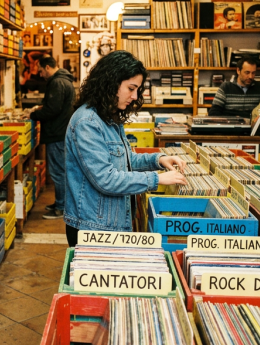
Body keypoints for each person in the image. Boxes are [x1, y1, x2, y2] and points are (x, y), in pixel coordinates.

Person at [64, 52, 187, 245]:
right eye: (131, 88)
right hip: (92, 228)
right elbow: (106, 179)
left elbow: (126, 160)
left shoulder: (109, 116)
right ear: (111, 82)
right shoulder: (87, 122)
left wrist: (158, 159)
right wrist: (157, 179)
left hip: (111, 223)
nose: (135, 96)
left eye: (137, 90)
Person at [29, 56, 76, 220]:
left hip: (57, 133)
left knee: (58, 172)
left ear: (47, 67)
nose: (40, 75)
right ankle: (60, 203)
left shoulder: (57, 82)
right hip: (61, 132)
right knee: (60, 170)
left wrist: (34, 114)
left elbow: (53, 110)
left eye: (41, 71)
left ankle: (61, 207)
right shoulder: (65, 80)